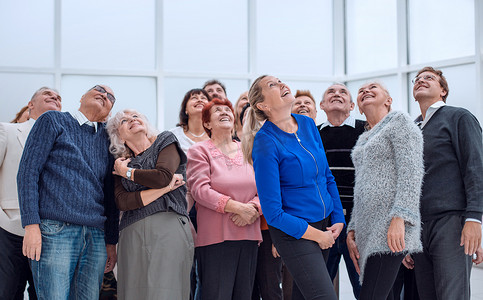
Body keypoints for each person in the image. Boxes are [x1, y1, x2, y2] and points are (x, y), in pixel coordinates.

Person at [243, 75, 345, 300]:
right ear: (263, 105)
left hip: (325, 224)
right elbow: (273, 213)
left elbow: (326, 176)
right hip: (294, 233)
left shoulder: (307, 124)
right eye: (272, 85)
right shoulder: (265, 142)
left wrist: (338, 218)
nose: (281, 85)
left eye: (280, 81)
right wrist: (318, 236)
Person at [17, 85, 119, 300]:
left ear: (109, 112)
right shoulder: (53, 120)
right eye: (99, 89)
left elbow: (110, 194)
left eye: (110, 97)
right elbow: (28, 172)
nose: (104, 95)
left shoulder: (107, 139)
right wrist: (31, 225)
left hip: (96, 236)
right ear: (82, 97)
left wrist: (111, 241)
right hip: (55, 230)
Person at [408, 66, 483, 300]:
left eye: (429, 78)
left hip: (451, 223)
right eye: (417, 79)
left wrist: (474, 219)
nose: (421, 81)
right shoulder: (412, 129)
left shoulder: (458, 117)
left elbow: (475, 167)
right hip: (419, 228)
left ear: (443, 91)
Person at [346, 81, 424, 300]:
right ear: (359, 108)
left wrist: (401, 217)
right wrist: (353, 227)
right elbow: (359, 188)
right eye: (361, 91)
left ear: (388, 101)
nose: (365, 91)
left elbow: (412, 172)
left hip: (389, 227)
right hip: (366, 230)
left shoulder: (399, 122)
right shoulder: (363, 139)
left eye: (373, 88)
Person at [106, 109, 193, 300]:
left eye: (136, 116)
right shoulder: (118, 164)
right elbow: (122, 201)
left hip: (168, 226)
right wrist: (164, 190)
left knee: (167, 292)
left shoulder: (165, 141)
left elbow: (162, 176)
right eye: (124, 120)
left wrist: (127, 173)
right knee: (133, 293)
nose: (132, 120)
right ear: (118, 136)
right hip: (131, 233)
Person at [187, 98, 262, 300]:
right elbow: (200, 190)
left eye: (227, 110)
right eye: (217, 111)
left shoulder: (249, 149)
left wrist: (253, 209)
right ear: (207, 124)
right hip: (215, 237)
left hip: (249, 233)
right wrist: (238, 208)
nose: (224, 112)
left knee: (244, 296)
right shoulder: (199, 151)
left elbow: (266, 188)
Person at [0, 87, 61, 300]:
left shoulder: (63, 141)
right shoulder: (6, 131)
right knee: (7, 292)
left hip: (51, 232)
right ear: (31, 104)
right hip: (9, 228)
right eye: (48, 94)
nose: (55, 98)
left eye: (58, 98)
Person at [318, 83, 364, 299]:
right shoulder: (314, 135)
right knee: (320, 289)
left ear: (352, 104)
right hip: (324, 222)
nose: (337, 94)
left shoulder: (367, 130)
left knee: (365, 287)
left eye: (343, 91)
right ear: (322, 105)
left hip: (359, 222)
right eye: (331, 92)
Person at [171, 88, 211, 154]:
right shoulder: (173, 135)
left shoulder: (217, 135)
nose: (200, 100)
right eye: (194, 98)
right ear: (185, 109)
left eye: (203, 98)